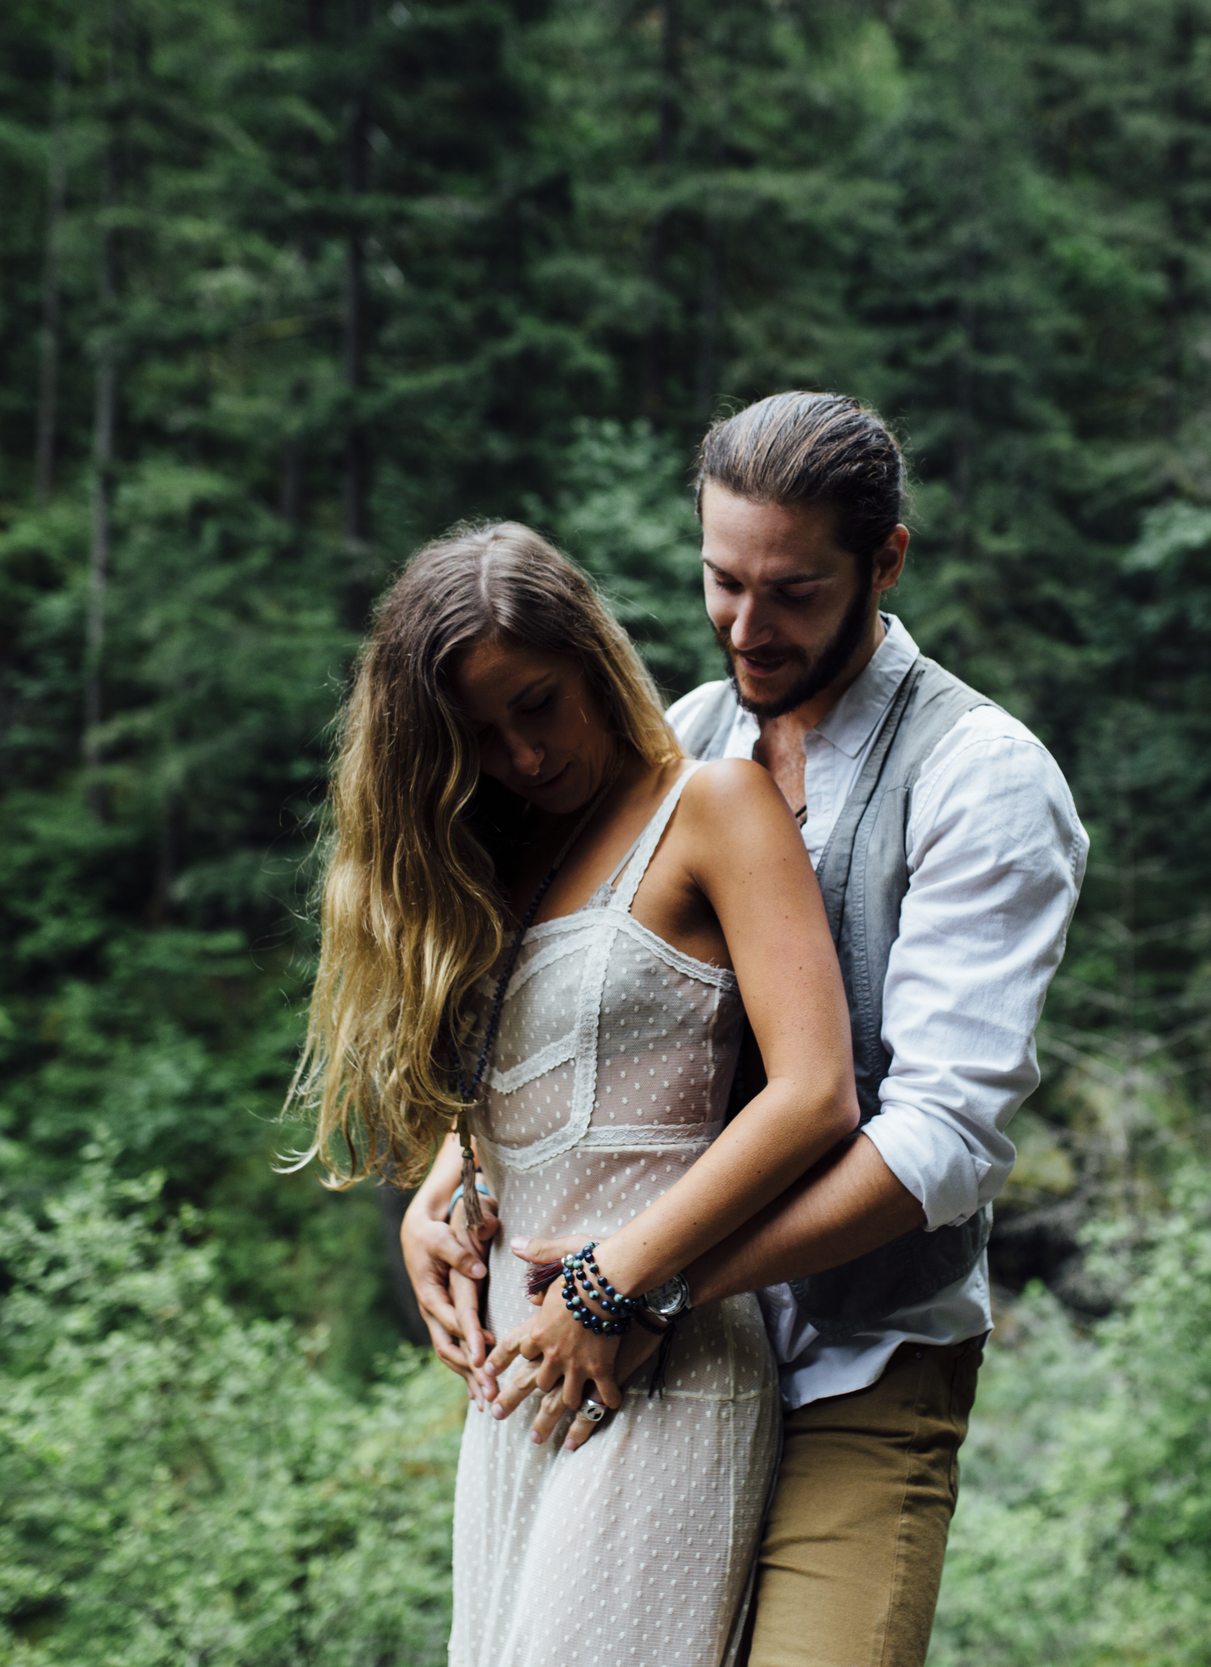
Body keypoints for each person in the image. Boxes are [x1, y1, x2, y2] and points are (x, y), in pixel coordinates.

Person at [408, 392, 1089, 1667]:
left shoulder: (984, 777)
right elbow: (589, 998)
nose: (746, 626)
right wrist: (451, 1180)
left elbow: (939, 1143)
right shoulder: (686, 735)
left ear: (884, 560)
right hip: (642, 1360)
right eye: (723, 581)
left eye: (793, 590)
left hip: (859, 1363)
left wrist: (646, 1280)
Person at [286, 520, 861, 1667]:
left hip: (659, 1349)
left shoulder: (712, 805)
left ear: (592, 658)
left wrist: (612, 1281)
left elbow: (814, 1094)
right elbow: (530, 1084)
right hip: (518, 1368)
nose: (524, 754)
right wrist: (440, 1192)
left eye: (537, 704)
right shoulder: (501, 855)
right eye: (480, 736)